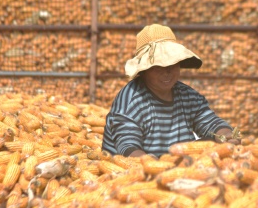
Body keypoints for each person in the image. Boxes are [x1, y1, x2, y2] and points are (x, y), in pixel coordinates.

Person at [101, 24, 239, 158]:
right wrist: (150, 164)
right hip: (132, 172)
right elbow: (127, 146)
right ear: (144, 71)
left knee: (212, 142)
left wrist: (225, 134)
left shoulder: (187, 95)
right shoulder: (131, 99)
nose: (167, 72)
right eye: (158, 67)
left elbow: (208, 121)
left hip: (176, 165)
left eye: (172, 64)